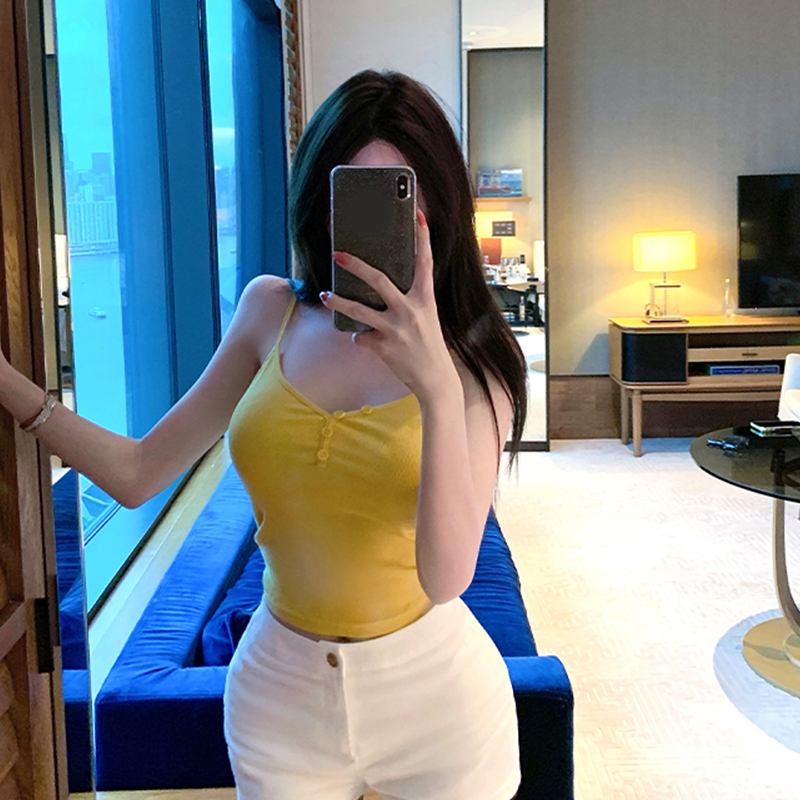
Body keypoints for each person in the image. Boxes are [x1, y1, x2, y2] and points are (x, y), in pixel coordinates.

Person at [0, 68, 528, 799]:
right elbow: (140, 472)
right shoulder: (269, 312)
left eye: (403, 196)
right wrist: (13, 388)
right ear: (320, 201)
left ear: (440, 207)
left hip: (439, 707)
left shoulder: (476, 366)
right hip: (279, 698)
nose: (381, 228)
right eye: (353, 195)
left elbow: (447, 578)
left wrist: (435, 384)